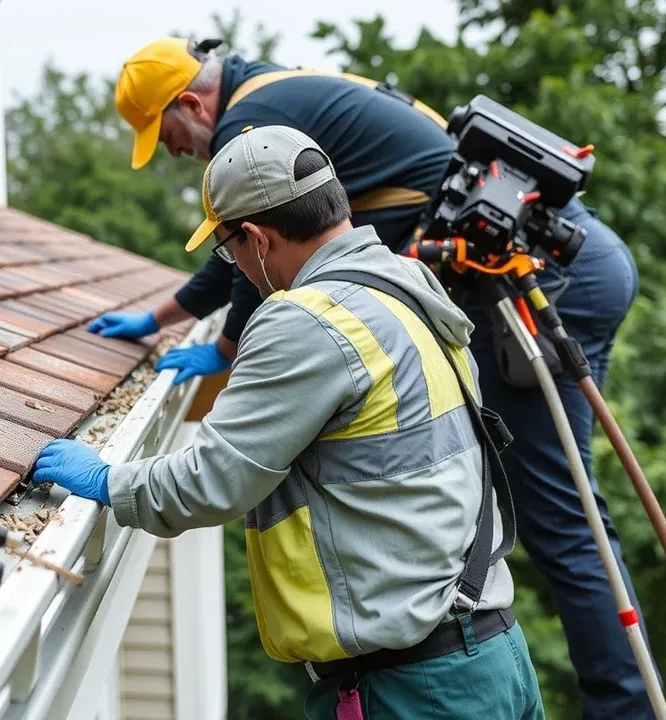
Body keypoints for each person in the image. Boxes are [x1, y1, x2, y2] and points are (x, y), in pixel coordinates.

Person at [88, 37, 648, 719]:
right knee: (542, 506)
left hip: (551, 278)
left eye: (168, 135)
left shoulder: (249, 131)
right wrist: (160, 316)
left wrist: (225, 349)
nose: (174, 151)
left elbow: (215, 468)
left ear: (190, 103)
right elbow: (247, 247)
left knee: (562, 520)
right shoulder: (292, 110)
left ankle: (626, 708)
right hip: (490, 655)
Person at [35, 125, 544, 719]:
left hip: (415, 688)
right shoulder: (410, 289)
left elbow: (210, 482)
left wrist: (106, 481)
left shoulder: (308, 318)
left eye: (229, 251)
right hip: (493, 656)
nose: (239, 268)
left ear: (256, 237)